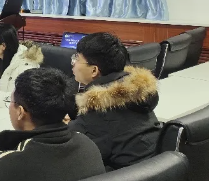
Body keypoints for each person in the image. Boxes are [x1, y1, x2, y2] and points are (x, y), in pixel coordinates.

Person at [68, 32, 162, 171]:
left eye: (77, 58)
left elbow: (72, 145)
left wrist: (64, 125)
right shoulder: (135, 93)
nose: (73, 63)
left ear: (94, 70)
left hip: (125, 179)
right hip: (154, 171)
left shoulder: (99, 106)